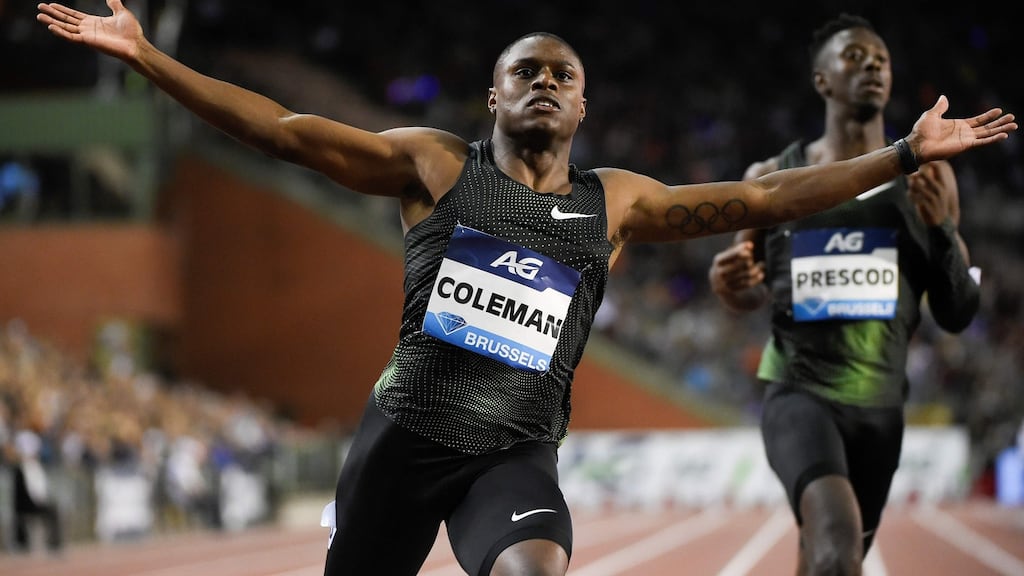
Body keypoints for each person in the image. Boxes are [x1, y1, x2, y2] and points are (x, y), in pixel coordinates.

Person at [37, 2, 1015, 574]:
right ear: (495, 96)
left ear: (583, 103)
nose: (544, 82)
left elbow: (763, 194)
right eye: (524, 71)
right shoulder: (433, 166)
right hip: (399, 443)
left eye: (562, 74)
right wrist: (152, 59)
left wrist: (894, 156)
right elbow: (285, 133)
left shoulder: (617, 203)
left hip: (514, 455)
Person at [707, 13, 990, 575]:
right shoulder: (773, 174)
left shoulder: (928, 180)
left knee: (829, 556)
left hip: (881, 408)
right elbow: (745, 291)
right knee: (836, 543)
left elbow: (957, 314)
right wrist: (728, 284)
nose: (873, 68)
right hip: (799, 393)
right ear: (822, 81)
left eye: (881, 60)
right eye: (855, 58)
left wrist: (941, 230)